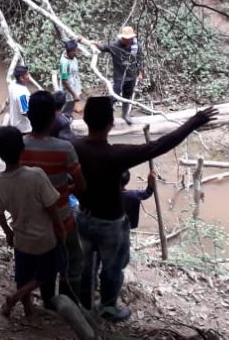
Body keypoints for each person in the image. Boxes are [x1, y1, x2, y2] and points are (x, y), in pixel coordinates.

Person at [72, 97, 218, 321]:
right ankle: (108, 307)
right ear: (111, 123)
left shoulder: (75, 146)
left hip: (83, 217)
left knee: (85, 264)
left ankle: (84, 304)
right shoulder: (116, 155)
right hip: (110, 224)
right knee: (112, 268)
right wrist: (194, 122)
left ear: (85, 119)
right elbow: (159, 146)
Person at [0, 126, 66, 317]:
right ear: (23, 149)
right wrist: (60, 228)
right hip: (44, 240)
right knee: (49, 272)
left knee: (23, 276)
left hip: (21, 240)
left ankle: (28, 309)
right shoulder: (36, 175)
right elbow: (51, 206)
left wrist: (8, 232)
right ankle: (16, 297)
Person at [20, 91, 85, 308]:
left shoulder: (18, 146)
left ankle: (48, 300)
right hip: (62, 217)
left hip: (29, 220)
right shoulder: (64, 149)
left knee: (43, 262)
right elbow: (81, 185)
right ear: (52, 119)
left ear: (28, 117)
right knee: (73, 258)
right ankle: (65, 299)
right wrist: (66, 188)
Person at [87, 26, 144, 124]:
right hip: (119, 76)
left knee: (127, 96)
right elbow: (102, 47)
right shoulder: (114, 46)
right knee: (114, 96)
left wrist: (140, 73)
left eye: (130, 38)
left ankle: (125, 114)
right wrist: (94, 43)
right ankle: (106, 115)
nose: (129, 41)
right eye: (127, 39)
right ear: (122, 38)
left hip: (131, 76)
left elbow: (139, 59)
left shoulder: (136, 46)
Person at [59, 39, 84, 119]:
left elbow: (70, 43)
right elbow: (64, 81)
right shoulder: (64, 63)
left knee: (71, 107)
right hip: (68, 90)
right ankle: (62, 122)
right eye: (75, 51)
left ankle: (68, 119)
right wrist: (74, 94)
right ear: (70, 51)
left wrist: (77, 40)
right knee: (65, 108)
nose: (76, 53)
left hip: (75, 85)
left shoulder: (71, 55)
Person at [7, 65, 32, 134]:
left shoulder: (12, 84)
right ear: (21, 78)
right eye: (27, 74)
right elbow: (25, 112)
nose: (29, 76)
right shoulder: (23, 94)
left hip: (14, 122)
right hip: (23, 128)